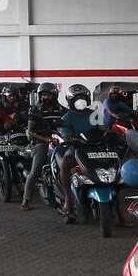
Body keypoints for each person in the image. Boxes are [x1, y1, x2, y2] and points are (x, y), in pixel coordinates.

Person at [57, 83, 97, 222]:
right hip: (76, 149)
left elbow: (104, 129)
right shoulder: (67, 117)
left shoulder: (93, 114)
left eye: (82, 96)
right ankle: (68, 200)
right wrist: (72, 140)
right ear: (70, 101)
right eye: (76, 97)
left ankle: (118, 211)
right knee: (65, 164)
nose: (80, 100)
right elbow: (67, 136)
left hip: (95, 149)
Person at [20, 82, 63, 211]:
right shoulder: (35, 109)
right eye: (43, 95)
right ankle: (26, 200)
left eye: (49, 94)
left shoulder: (61, 109)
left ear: (54, 95)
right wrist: (46, 139)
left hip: (59, 141)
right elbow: (31, 131)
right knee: (35, 170)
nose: (46, 97)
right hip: (40, 143)